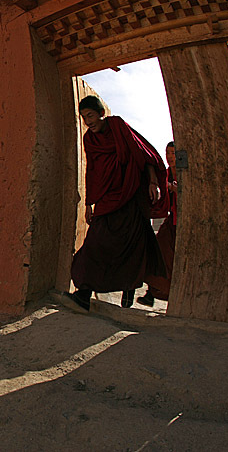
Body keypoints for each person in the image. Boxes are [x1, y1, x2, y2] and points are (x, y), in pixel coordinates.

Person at [69, 96, 168, 311]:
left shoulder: (119, 127)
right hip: (107, 200)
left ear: (101, 113)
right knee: (94, 245)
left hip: (130, 197)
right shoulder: (90, 139)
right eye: (84, 118)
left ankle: (128, 292)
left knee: (131, 248)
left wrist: (153, 182)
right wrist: (89, 203)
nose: (88, 122)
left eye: (91, 116)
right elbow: (93, 171)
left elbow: (145, 155)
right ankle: (84, 293)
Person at [138, 142, 177, 306]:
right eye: (167, 153)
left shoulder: (186, 172)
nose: (169, 157)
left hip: (181, 222)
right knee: (158, 251)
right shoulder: (166, 173)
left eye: (173, 153)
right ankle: (151, 292)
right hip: (172, 221)